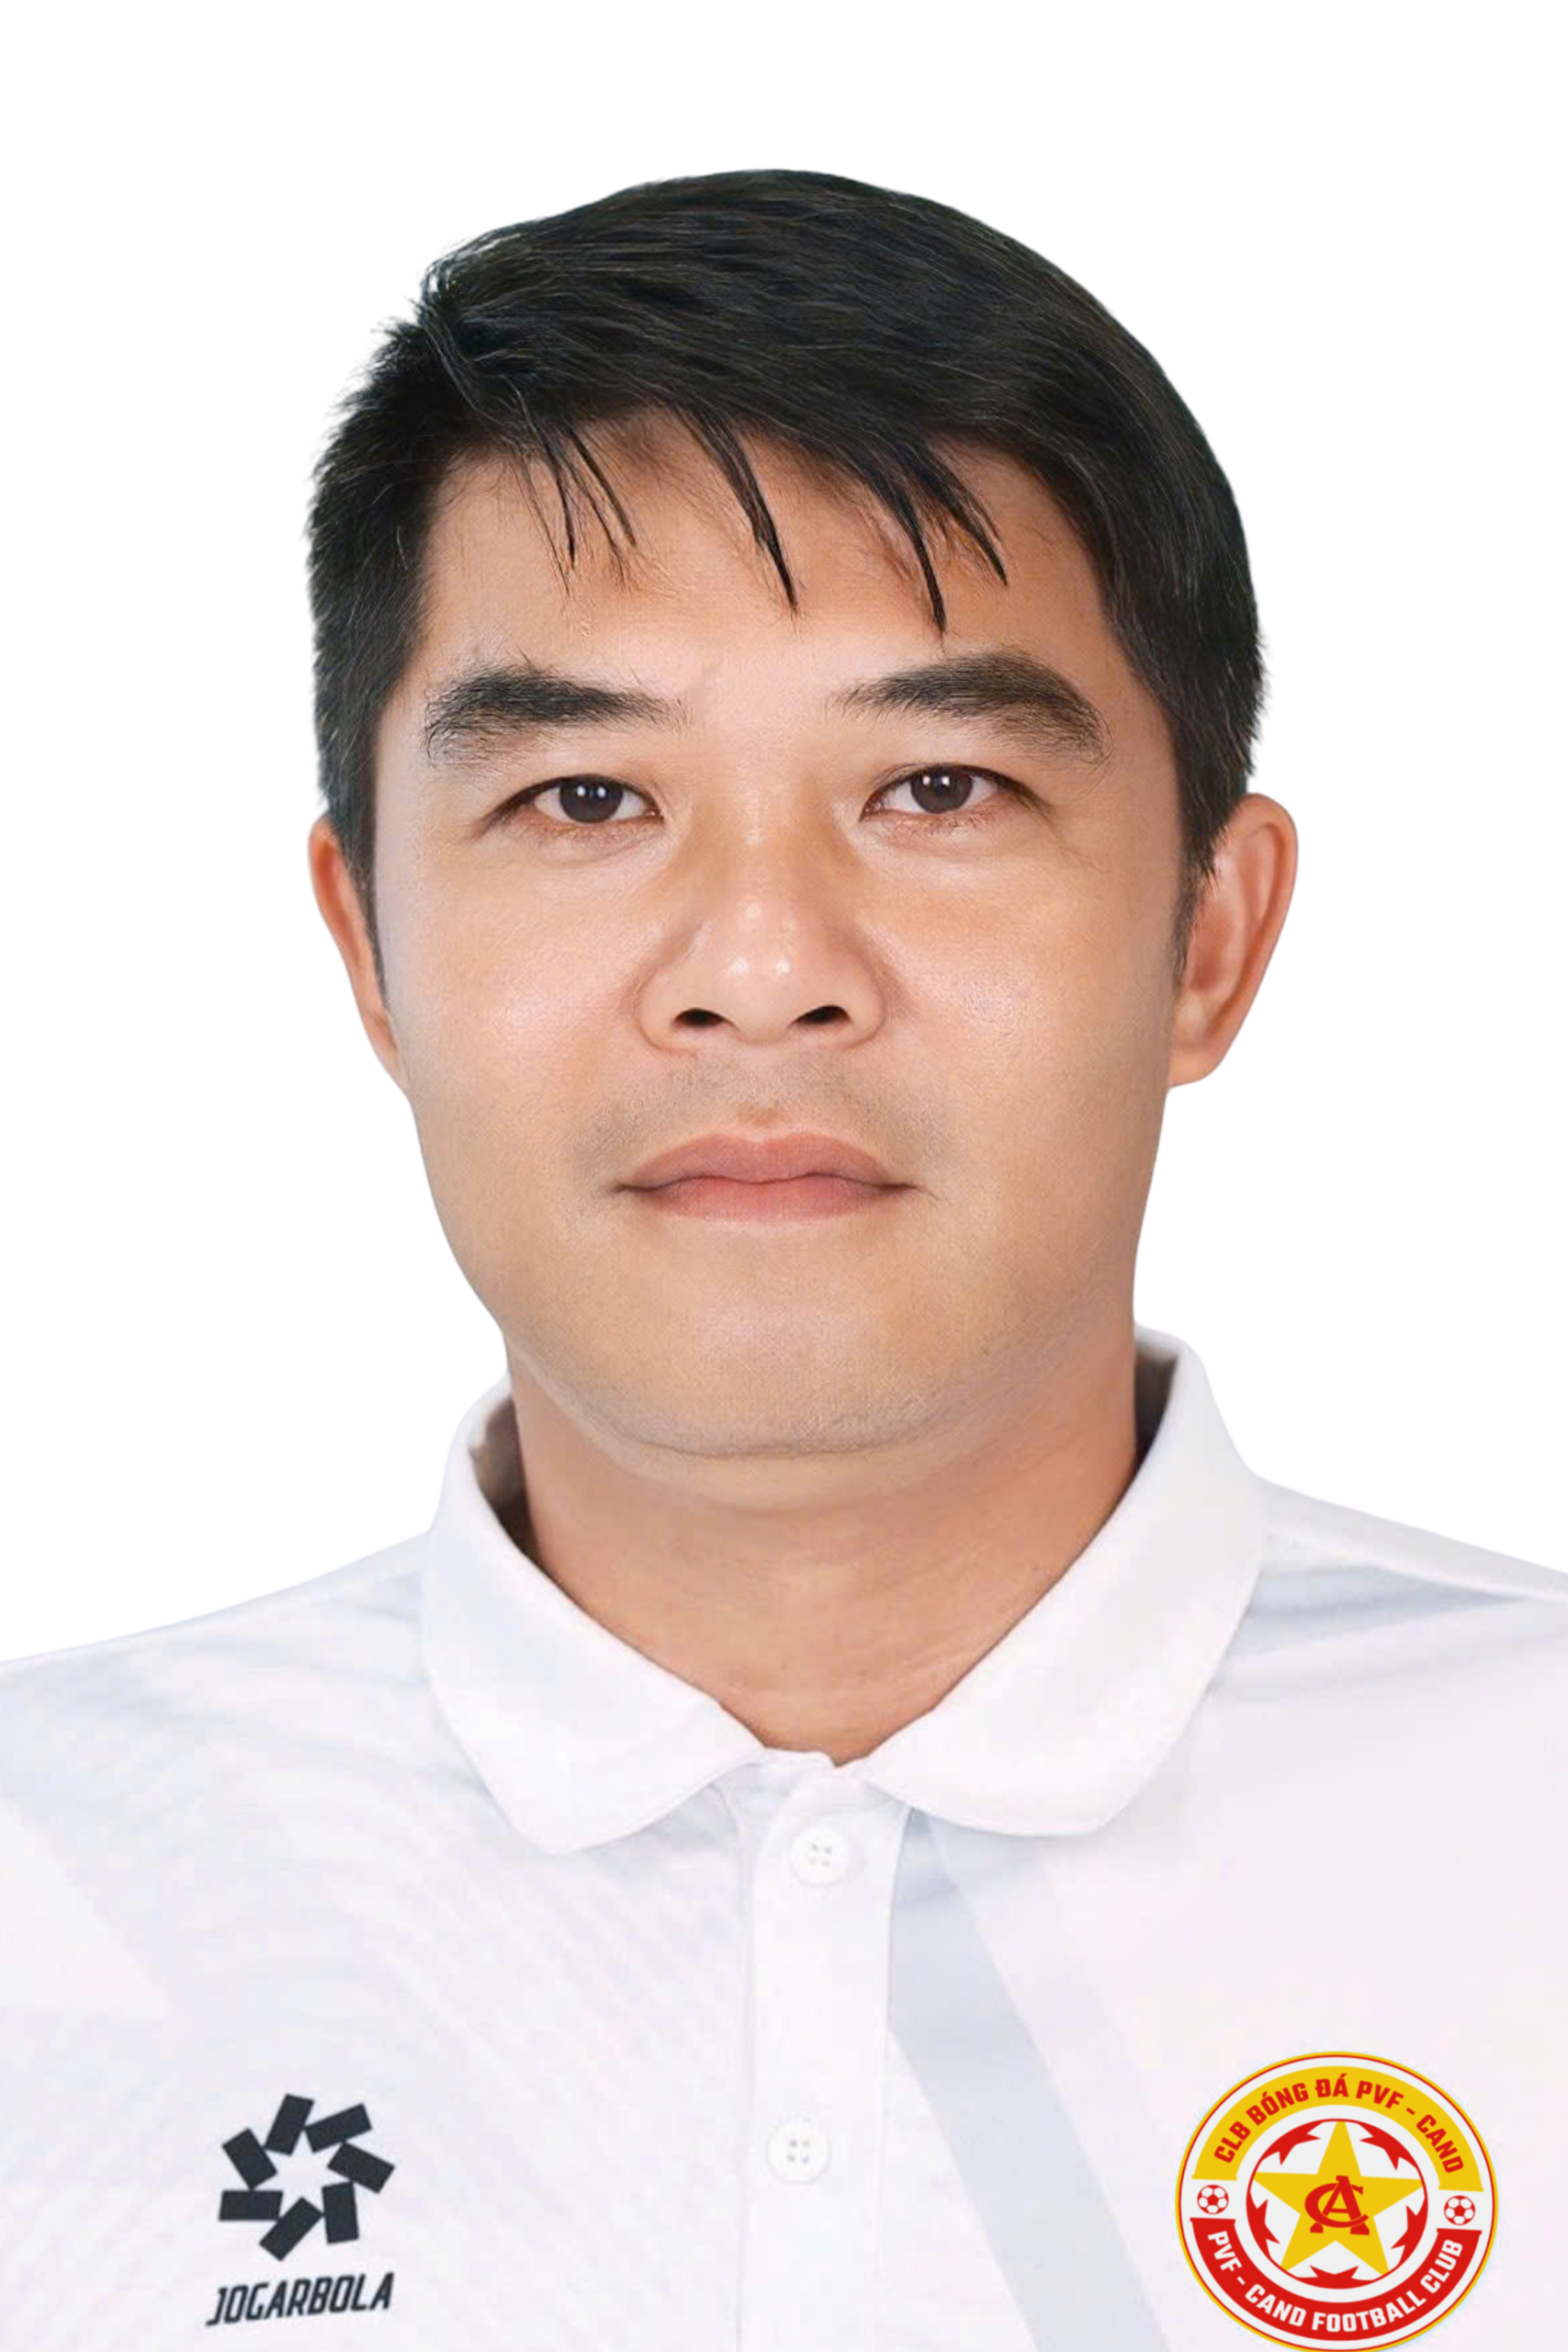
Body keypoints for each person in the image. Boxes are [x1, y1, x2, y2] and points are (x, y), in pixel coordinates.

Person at [1, 168, 1561, 2350]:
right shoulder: (49, 1878)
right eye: (582, 799)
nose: (758, 967)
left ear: (1209, 936)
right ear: (370, 949)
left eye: (936, 788)